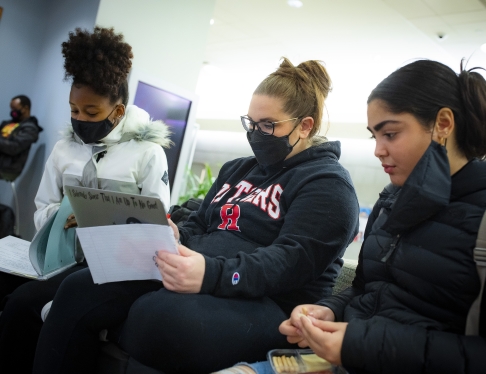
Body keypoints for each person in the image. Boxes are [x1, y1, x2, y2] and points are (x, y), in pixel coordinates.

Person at [32, 58, 360, 374]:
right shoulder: (238, 169)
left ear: (305, 126)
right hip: (198, 276)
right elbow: (200, 223)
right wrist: (174, 236)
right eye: (250, 123)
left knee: (158, 318)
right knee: (80, 287)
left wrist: (209, 274)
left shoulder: (328, 185)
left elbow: (288, 263)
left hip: (270, 303)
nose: (255, 133)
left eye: (268, 125)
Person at [273, 59, 486, 374]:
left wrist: (363, 344)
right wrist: (329, 310)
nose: (378, 150)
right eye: (374, 137)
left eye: (390, 134)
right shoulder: (390, 200)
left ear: (443, 125)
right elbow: (367, 289)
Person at [0, 26, 171, 374]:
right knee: (14, 301)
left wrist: (103, 218)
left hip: (114, 268)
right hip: (61, 258)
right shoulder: (64, 149)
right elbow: (43, 205)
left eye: (91, 113)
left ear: (118, 112)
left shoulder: (148, 154)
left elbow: (156, 223)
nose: (80, 120)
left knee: (39, 307)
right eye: (74, 110)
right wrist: (64, 214)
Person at [0, 94, 42, 182]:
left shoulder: (31, 128)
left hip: (7, 168)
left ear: (25, 108)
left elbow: (14, 147)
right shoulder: (8, 123)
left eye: (15, 109)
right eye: (11, 109)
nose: (12, 111)